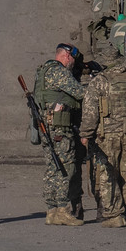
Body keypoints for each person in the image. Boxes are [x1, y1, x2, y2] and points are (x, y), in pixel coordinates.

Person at [80, 45, 126, 227]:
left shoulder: (99, 81)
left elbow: (90, 113)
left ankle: (115, 215)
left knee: (108, 173)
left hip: (107, 136)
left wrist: (85, 134)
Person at [35, 43, 87, 226]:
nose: (73, 63)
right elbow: (80, 93)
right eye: (73, 59)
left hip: (46, 127)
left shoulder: (43, 71)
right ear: (66, 56)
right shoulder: (60, 72)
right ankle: (63, 211)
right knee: (65, 167)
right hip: (59, 127)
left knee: (52, 168)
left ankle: (52, 211)